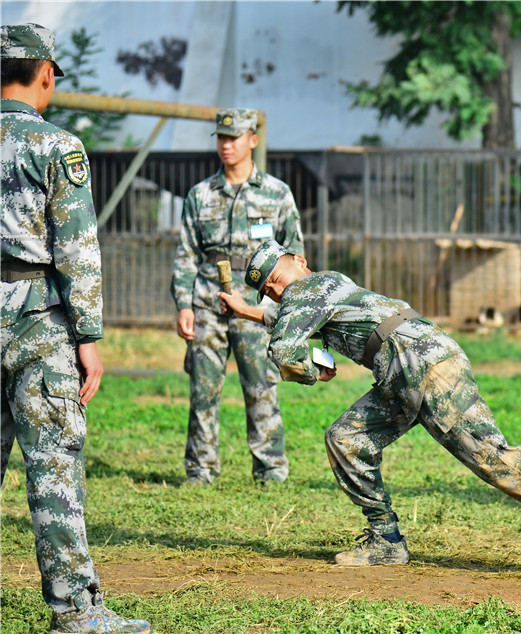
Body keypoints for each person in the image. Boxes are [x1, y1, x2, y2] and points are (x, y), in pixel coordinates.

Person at [217, 240, 521, 581]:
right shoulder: (319, 288)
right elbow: (289, 317)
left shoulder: (306, 289)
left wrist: (311, 371)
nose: (275, 289)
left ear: (298, 261)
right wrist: (251, 311)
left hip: (421, 364)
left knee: (495, 460)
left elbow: (286, 348)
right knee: (347, 439)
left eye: (276, 277)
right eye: (267, 289)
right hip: (402, 369)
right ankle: (386, 540)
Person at [1, 23, 152, 633]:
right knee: (53, 468)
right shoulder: (55, 146)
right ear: (44, 74)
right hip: (38, 321)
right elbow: (78, 249)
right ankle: (77, 610)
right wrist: (89, 338)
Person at [171, 108, 303, 486]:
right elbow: (186, 255)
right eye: (221, 138)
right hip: (208, 304)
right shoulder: (200, 195)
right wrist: (183, 304)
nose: (226, 145)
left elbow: (294, 254)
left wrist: (286, 307)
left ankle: (270, 470)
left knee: (261, 387)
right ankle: (200, 470)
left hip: (257, 305)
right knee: (203, 391)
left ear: (252, 140)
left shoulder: (277, 194)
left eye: (234, 137)